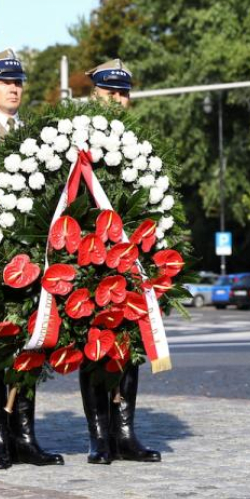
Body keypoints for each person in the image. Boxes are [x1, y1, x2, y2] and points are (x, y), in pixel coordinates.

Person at [0, 49, 64, 469]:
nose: (14, 88)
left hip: (31, 255)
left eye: (18, 82)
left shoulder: (36, 133)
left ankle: (25, 436)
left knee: (31, 341)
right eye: (4, 81)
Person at [79, 58, 161, 464]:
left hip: (131, 260)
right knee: (93, 347)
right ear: (94, 93)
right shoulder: (74, 140)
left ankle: (125, 433)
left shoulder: (140, 142)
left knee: (129, 348)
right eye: (110, 92)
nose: (118, 99)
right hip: (89, 259)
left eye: (124, 93)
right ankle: (99, 436)